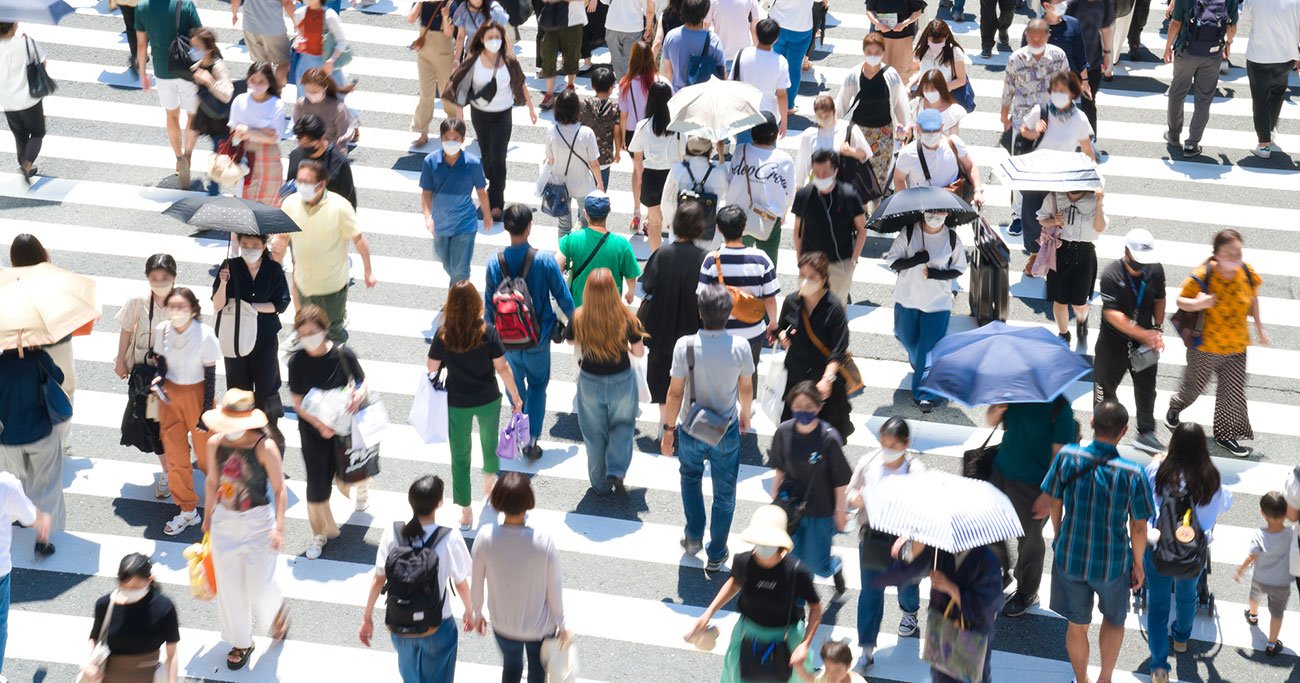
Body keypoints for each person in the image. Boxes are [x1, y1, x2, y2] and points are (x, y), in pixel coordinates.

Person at [1041, 401, 1155, 683]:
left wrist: (1059, 534)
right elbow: (1139, 527)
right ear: (1125, 430)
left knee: (1077, 625)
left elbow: (1053, 500)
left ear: (1091, 423)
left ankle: (1082, 680)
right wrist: (1138, 565)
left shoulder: (1067, 457)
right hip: (1112, 562)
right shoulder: (1132, 473)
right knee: (1114, 620)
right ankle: (1105, 678)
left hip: (1070, 555)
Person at [660, 285, 755, 572]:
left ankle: (693, 536)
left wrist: (668, 430)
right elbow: (746, 388)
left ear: (700, 312)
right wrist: (746, 416)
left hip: (690, 427)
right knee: (724, 492)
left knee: (690, 479)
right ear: (729, 314)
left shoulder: (685, 345)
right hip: (724, 429)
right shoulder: (740, 347)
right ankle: (717, 552)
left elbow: (675, 393)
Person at [200, 390, 289, 671]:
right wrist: (207, 515)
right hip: (224, 521)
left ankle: (275, 610)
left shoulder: (265, 447)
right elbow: (213, 481)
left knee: (259, 585)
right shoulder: (215, 443)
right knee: (229, 588)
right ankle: (241, 642)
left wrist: (279, 527)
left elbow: (279, 489)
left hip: (257, 522)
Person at [426, 281, 524, 530]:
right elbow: (503, 367)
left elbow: (431, 368)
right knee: (490, 444)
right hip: (488, 398)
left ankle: (466, 511)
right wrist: (516, 397)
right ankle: (489, 483)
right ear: (475, 304)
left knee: (460, 456)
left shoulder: (443, 335)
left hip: (457, 401)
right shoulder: (487, 332)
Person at [684, 505, 822, 681]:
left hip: (787, 639)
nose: (763, 546)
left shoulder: (796, 571)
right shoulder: (743, 561)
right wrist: (708, 614)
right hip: (748, 634)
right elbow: (734, 583)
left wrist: (804, 645)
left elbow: (816, 607)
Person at [484, 205, 577, 461]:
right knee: (538, 386)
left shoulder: (495, 262)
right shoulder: (545, 260)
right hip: (538, 338)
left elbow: (488, 310)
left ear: (506, 228)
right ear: (529, 227)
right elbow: (564, 298)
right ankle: (531, 440)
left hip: (507, 341)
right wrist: (578, 324)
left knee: (517, 388)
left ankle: (519, 424)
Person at [360, 476, 473, 683]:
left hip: (401, 623)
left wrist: (367, 618)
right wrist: (469, 610)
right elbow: (461, 583)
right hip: (437, 624)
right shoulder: (450, 537)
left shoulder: (392, 533)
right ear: (439, 503)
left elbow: (378, 580)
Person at [1166, 229, 1267, 458]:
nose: (1235, 256)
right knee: (1193, 389)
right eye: (1229, 252)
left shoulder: (1246, 271)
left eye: (1238, 252)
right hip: (1205, 348)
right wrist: (1200, 303)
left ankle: (1226, 435)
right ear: (1217, 254)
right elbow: (1181, 300)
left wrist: (1260, 328)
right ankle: (1176, 406)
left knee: (1233, 393)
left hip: (1237, 347)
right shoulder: (1205, 274)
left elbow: (1253, 299)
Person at [1144, 423, 1232, 682]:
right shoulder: (1211, 477)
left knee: (1158, 606)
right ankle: (1181, 637)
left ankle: (1159, 667)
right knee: (1187, 593)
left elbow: (1145, 500)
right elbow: (1225, 504)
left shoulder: (1159, 470)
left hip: (1159, 548)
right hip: (1194, 551)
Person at [286, 306, 371, 559]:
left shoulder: (343, 355)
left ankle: (362, 488)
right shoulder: (297, 362)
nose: (309, 337)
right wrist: (320, 425)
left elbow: (362, 381)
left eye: (313, 332)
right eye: (303, 334)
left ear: (324, 329)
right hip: (314, 432)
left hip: (344, 428)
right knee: (316, 483)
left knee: (352, 469)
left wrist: (358, 396)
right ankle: (319, 532)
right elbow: (298, 402)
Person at [469, 472, 568, 683]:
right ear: (528, 501)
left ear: (498, 502)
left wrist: (478, 613)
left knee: (511, 665)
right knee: (538, 671)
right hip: (540, 627)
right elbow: (554, 588)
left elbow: (476, 582)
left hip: (503, 625)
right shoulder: (543, 541)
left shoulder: (485, 537)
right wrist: (562, 623)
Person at [844, 417, 924, 670]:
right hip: (874, 537)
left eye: (893, 444)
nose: (887, 449)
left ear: (905, 444)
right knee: (870, 593)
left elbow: (924, 507)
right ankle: (866, 649)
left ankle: (910, 610)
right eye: (883, 443)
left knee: (907, 583)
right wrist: (859, 499)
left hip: (904, 539)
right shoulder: (868, 463)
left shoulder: (915, 471)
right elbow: (850, 493)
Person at [987, 394, 1076, 617]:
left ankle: (1027, 591)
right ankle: (1000, 572)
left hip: (1034, 486)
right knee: (989, 529)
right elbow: (991, 420)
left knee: (1029, 543)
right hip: (1000, 473)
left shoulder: (1060, 408)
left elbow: (1060, 456)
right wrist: (996, 410)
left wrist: (1048, 495)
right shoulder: (1016, 395)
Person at [274, 159, 376, 342]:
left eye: (306, 182)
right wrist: (273, 267)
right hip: (304, 284)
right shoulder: (290, 203)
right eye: (299, 181)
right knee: (308, 331)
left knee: (332, 332)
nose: (301, 186)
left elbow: (359, 239)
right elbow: (282, 239)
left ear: (321, 184)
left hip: (332, 286)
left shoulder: (340, 207)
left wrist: (368, 271)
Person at [448, 22, 537, 222]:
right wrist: (459, 119)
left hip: (503, 114)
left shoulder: (508, 61)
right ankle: (492, 181)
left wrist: (531, 108)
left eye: (498, 38)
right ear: (481, 40)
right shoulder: (473, 61)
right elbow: (461, 89)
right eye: (490, 38)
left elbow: (520, 82)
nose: (494, 42)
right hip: (480, 115)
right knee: (487, 157)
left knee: (499, 158)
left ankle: (496, 202)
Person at [571, 268, 648, 496]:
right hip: (621, 379)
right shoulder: (626, 317)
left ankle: (599, 484)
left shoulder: (580, 315)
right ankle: (617, 469)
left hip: (589, 380)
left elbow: (570, 341)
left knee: (594, 434)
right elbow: (639, 351)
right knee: (623, 426)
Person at [769, 381, 851, 592]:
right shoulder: (783, 432)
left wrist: (840, 512)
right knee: (793, 561)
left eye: (808, 407)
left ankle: (834, 566)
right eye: (798, 406)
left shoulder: (829, 438)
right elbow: (779, 469)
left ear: (819, 407)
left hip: (820, 511)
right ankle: (798, 607)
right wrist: (773, 502)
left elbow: (841, 480)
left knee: (818, 564)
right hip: (791, 507)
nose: (803, 411)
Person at [152, 288, 220, 537]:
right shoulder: (162, 330)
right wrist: (158, 379)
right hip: (170, 396)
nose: (176, 312)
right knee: (175, 454)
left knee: (206, 453)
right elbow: (161, 363)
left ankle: (220, 500)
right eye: (172, 307)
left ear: (193, 309)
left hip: (197, 394)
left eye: (182, 307)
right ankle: (187, 509)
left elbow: (210, 374)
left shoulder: (205, 334)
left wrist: (205, 412)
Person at [887, 539, 1004, 683]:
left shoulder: (987, 559)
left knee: (970, 677)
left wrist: (951, 589)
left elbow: (989, 604)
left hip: (971, 631)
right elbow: (909, 568)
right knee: (940, 675)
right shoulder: (940, 549)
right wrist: (912, 544)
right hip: (941, 626)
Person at [885, 210, 966, 412]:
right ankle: (917, 360)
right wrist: (916, 259)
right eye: (931, 212)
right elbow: (892, 261)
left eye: (940, 212)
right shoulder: (909, 232)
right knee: (908, 339)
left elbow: (959, 268)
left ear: (947, 214)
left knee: (928, 349)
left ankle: (924, 395)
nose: (935, 216)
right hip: (907, 299)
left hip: (937, 303)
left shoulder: (952, 238)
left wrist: (937, 274)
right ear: (923, 212)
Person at [697, 205, 781, 396]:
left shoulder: (711, 260)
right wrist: (773, 324)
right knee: (748, 376)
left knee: (719, 382)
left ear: (719, 229)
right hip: (752, 333)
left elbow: (702, 300)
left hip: (720, 333)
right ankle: (745, 418)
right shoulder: (761, 259)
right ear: (744, 228)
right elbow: (770, 298)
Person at [1095, 229, 1167, 453]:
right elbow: (1113, 314)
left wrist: (1157, 328)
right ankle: (1103, 436)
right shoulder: (1110, 275)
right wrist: (1145, 334)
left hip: (1143, 343)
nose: (1141, 265)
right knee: (1105, 391)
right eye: (1137, 259)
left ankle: (1146, 432)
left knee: (1147, 389)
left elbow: (1160, 299)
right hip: (1112, 344)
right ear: (1126, 251)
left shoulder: (1154, 269)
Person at [641, 203, 708, 426]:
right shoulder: (705, 258)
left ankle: (664, 420)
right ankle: (683, 419)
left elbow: (648, 285)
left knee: (660, 371)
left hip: (662, 322)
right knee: (688, 373)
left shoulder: (662, 253)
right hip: (692, 324)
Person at [115, 254, 176, 492]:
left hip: (175, 376)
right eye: (154, 277)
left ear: (174, 277)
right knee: (154, 423)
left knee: (175, 423)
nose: (159, 282)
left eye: (165, 277)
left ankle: (177, 464)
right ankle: (168, 471)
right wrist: (121, 361)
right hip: (147, 378)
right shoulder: (137, 302)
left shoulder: (182, 301)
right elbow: (125, 331)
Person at [1014, 71, 1095, 249]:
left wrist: (1092, 180)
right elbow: (1024, 131)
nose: (1058, 94)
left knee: (1056, 220)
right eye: (1055, 89)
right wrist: (1035, 131)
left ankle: (1050, 251)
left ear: (1073, 93)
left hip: (1061, 178)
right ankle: (1034, 253)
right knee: (1033, 217)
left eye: (1063, 90)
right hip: (1036, 175)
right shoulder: (1041, 111)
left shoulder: (1079, 119)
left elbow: (1088, 150)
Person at [777, 253, 852, 438]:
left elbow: (838, 349)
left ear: (823, 279)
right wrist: (782, 336)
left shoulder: (833, 308)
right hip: (796, 377)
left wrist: (827, 379)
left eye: (811, 277)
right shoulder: (791, 301)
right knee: (791, 429)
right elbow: (780, 328)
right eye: (802, 275)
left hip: (822, 382)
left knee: (825, 433)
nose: (805, 281)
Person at [80, 553, 181, 683]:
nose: (130, 591)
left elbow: (172, 654)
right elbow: (94, 637)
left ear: (150, 580)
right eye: (124, 586)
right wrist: (85, 663)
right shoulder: (105, 604)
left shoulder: (164, 607)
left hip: (148, 677)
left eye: (136, 587)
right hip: (110, 676)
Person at [135, 0, 203, 188]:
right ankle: (188, 156)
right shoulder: (185, 4)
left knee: (172, 114)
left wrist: (143, 74)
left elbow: (141, 45)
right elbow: (199, 38)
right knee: (193, 115)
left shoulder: (142, 7)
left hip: (162, 69)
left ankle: (178, 158)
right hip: (187, 68)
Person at [837, 33, 911, 198]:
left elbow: (900, 103)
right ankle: (860, 211)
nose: (873, 55)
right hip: (858, 133)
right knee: (857, 172)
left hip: (883, 133)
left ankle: (874, 211)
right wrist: (834, 127)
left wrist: (905, 129)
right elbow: (842, 102)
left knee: (879, 175)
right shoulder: (854, 74)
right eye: (869, 52)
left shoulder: (890, 75)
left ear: (883, 52)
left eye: (877, 52)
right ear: (863, 52)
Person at [1161, 0, 1239, 157]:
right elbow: (1232, 25)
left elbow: (1176, 23)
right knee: (1204, 99)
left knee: (1177, 92)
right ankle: (1192, 143)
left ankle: (1174, 135)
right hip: (1212, 52)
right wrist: (1228, 43)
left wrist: (1167, 47)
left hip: (1187, 49)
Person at [419, 118, 491, 284]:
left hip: (465, 223)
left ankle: (457, 303)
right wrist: (428, 216)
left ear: (463, 140)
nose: (450, 143)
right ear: (441, 138)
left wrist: (487, 215)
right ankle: (463, 287)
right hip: (441, 224)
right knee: (448, 263)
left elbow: (481, 191)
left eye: (455, 139)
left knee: (459, 270)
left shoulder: (473, 164)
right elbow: (426, 193)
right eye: (447, 139)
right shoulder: (430, 162)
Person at [793, 151, 868, 304]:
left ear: (835, 170)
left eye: (825, 172)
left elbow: (862, 229)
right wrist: (799, 258)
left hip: (840, 264)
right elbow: (797, 230)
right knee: (808, 307)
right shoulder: (804, 195)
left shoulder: (849, 195)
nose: (821, 176)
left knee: (837, 308)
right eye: (816, 172)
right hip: (810, 265)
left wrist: (853, 260)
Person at [1038, 186, 1105, 338]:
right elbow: (1042, 219)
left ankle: (1082, 322)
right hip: (1060, 250)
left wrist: (1099, 205)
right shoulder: (1054, 197)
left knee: (1079, 302)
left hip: (1085, 252)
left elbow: (1100, 228)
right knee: (1059, 299)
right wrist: (1054, 220)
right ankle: (1064, 334)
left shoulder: (1094, 199)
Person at [628, 81, 687, 252]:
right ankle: (675, 257)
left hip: (651, 177)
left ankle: (656, 259)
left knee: (654, 224)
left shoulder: (643, 125)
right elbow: (685, 153)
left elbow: (637, 156)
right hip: (674, 176)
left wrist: (640, 177)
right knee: (676, 222)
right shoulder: (678, 126)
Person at [558, 191, 641, 306]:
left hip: (580, 311)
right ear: (608, 212)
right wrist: (630, 293)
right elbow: (631, 277)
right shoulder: (621, 244)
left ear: (585, 213)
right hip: (610, 312)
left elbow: (557, 266)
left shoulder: (571, 239)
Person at [1000, 20, 1069, 154]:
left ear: (1048, 35)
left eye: (1040, 39)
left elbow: (1066, 89)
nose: (1036, 42)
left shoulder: (1059, 56)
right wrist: (1004, 117)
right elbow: (1008, 89)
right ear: (1026, 35)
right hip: (1022, 121)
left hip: (1050, 122)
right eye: (1032, 39)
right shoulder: (1016, 59)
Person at [1236, 491, 1291, 658]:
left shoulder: (1259, 534)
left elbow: (1252, 556)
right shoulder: (1290, 534)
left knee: (1254, 597)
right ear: (1286, 512)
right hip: (1281, 583)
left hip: (1260, 578)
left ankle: (1253, 616)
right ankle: (1272, 644)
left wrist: (1240, 570)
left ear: (1262, 513)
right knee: (1277, 612)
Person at [1242, 0, 1300, 158]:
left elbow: (1246, 18)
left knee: (1260, 101)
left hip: (1259, 56)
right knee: (1277, 95)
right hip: (1286, 56)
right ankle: (1269, 131)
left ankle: (1264, 144)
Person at [543, 89, 604, 235]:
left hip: (560, 184)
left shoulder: (552, 132)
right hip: (583, 183)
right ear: (577, 109)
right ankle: (582, 256)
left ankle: (564, 255)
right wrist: (600, 183)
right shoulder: (586, 133)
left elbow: (550, 160)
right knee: (586, 224)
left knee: (564, 226)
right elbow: (594, 163)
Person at [895, 110, 985, 206]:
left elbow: (970, 167)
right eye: (926, 131)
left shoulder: (953, 143)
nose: (931, 134)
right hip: (922, 206)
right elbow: (899, 179)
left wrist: (977, 191)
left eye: (935, 130)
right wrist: (908, 204)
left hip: (954, 203)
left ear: (942, 127)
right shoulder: (907, 153)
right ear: (918, 128)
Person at [228, 62, 286, 207]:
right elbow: (234, 132)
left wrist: (247, 131)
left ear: (269, 82)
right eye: (253, 80)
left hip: (269, 157)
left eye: (261, 81)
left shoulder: (276, 104)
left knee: (269, 200)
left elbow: (275, 137)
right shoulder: (240, 101)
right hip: (245, 154)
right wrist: (263, 132)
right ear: (248, 80)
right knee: (244, 199)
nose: (257, 84)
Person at [186, 29, 234, 194]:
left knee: (218, 150)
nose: (193, 51)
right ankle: (185, 167)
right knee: (191, 139)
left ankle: (214, 189)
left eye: (197, 47)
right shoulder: (198, 66)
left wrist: (209, 82)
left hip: (219, 118)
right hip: (203, 113)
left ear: (209, 50)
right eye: (193, 46)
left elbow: (227, 95)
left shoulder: (218, 67)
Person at [661, 137, 729, 250]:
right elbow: (729, 189)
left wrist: (668, 220)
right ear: (709, 150)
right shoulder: (719, 172)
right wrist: (721, 155)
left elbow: (667, 199)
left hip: (680, 230)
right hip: (708, 234)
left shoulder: (677, 169)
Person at [1, 23, 48, 184]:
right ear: (14, 26)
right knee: (37, 132)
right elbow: (43, 64)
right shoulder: (26, 43)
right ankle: (27, 164)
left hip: (7, 99)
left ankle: (24, 163)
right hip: (29, 97)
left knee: (19, 135)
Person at [795, 96, 872, 194]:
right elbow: (803, 164)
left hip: (845, 188)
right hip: (819, 187)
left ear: (834, 112)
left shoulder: (848, 129)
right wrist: (799, 189)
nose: (823, 119)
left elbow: (866, 154)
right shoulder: (809, 135)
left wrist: (850, 152)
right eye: (819, 116)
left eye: (826, 116)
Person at [408, 0, 457, 147]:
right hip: (424, 52)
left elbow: (449, 33)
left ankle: (453, 129)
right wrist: (419, 4)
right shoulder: (421, 3)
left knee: (447, 92)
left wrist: (444, 16)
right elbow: (410, 19)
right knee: (425, 93)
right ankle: (423, 132)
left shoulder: (449, 4)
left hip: (444, 51)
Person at [731, 19, 791, 138]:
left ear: (756, 33)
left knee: (744, 151)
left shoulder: (741, 54)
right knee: (767, 153)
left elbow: (732, 82)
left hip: (744, 113)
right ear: (776, 39)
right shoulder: (781, 62)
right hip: (768, 115)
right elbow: (781, 95)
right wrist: (784, 122)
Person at [288, 113, 356, 209]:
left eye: (309, 145)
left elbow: (348, 202)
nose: (305, 149)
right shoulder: (296, 156)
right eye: (301, 144)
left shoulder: (339, 163)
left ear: (322, 137)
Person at [1065, 0, 1113, 137]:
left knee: (1089, 101)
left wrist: (1107, 53)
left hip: (1093, 58)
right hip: (1072, 60)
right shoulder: (1072, 3)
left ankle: (1091, 141)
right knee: (1066, 101)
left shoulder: (1105, 3)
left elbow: (1105, 28)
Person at [659, 0, 726, 92]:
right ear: (705, 13)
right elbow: (723, 73)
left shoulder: (671, 37)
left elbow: (668, 73)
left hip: (679, 95)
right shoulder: (713, 40)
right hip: (704, 97)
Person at [1037, 0, 1091, 105]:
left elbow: (1080, 56)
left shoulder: (1073, 24)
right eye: (1059, 2)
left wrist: (1085, 81)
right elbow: (1026, 58)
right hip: (1041, 87)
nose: (1063, 3)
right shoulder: (1036, 27)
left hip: (1066, 86)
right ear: (1047, 5)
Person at [536, 0, 588, 109]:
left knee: (571, 55)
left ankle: (570, 86)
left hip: (573, 19)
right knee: (548, 56)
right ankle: (549, 94)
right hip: (552, 18)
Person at [911, 20, 971, 111]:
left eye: (939, 41)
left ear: (946, 36)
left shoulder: (954, 52)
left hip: (945, 100)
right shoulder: (922, 50)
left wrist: (940, 90)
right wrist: (909, 85)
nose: (935, 44)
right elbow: (922, 72)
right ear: (927, 37)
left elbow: (961, 80)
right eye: (932, 40)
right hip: (924, 97)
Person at [232, 0, 294, 86]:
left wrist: (234, 13)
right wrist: (297, 21)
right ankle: (276, 91)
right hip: (273, 28)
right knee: (284, 62)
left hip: (250, 26)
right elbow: (287, 2)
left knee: (262, 64)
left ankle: (265, 91)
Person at [581, 67, 622, 192]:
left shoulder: (584, 105)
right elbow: (616, 132)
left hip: (584, 156)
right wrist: (617, 152)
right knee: (600, 192)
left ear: (593, 86)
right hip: (604, 157)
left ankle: (583, 212)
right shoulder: (614, 108)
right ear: (611, 88)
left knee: (584, 193)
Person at [291, 0, 349, 88]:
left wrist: (331, 61)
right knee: (305, 98)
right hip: (306, 64)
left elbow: (342, 42)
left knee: (332, 99)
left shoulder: (329, 16)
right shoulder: (299, 14)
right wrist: (298, 42)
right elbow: (299, 35)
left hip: (327, 64)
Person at [293, 68, 353, 151]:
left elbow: (344, 133)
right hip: (306, 150)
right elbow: (298, 128)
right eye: (308, 90)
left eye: (315, 91)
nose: (311, 94)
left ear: (325, 87)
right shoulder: (300, 105)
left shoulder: (337, 108)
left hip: (331, 151)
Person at [865, 0, 924, 82]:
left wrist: (904, 24)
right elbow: (869, 10)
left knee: (901, 72)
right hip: (880, 35)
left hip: (903, 36)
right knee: (879, 70)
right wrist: (878, 24)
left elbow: (918, 11)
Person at [604, 0, 656, 77]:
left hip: (612, 25)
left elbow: (604, 1)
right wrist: (649, 27)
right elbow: (649, 9)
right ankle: (629, 86)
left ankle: (622, 85)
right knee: (631, 62)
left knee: (617, 63)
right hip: (633, 27)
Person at [910, 70, 965, 136]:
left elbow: (955, 142)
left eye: (933, 89)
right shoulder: (915, 106)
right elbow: (907, 132)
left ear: (942, 88)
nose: (930, 92)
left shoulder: (955, 113)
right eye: (926, 89)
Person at [708, 0, 760, 69]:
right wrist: (760, 54)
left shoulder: (712, 1)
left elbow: (705, 28)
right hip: (744, 56)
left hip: (721, 55)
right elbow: (754, 30)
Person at [798, 639, 866, 683]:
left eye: (837, 670)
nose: (831, 674)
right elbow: (809, 678)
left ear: (848, 665)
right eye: (828, 669)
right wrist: (798, 666)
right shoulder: (825, 677)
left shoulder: (858, 681)